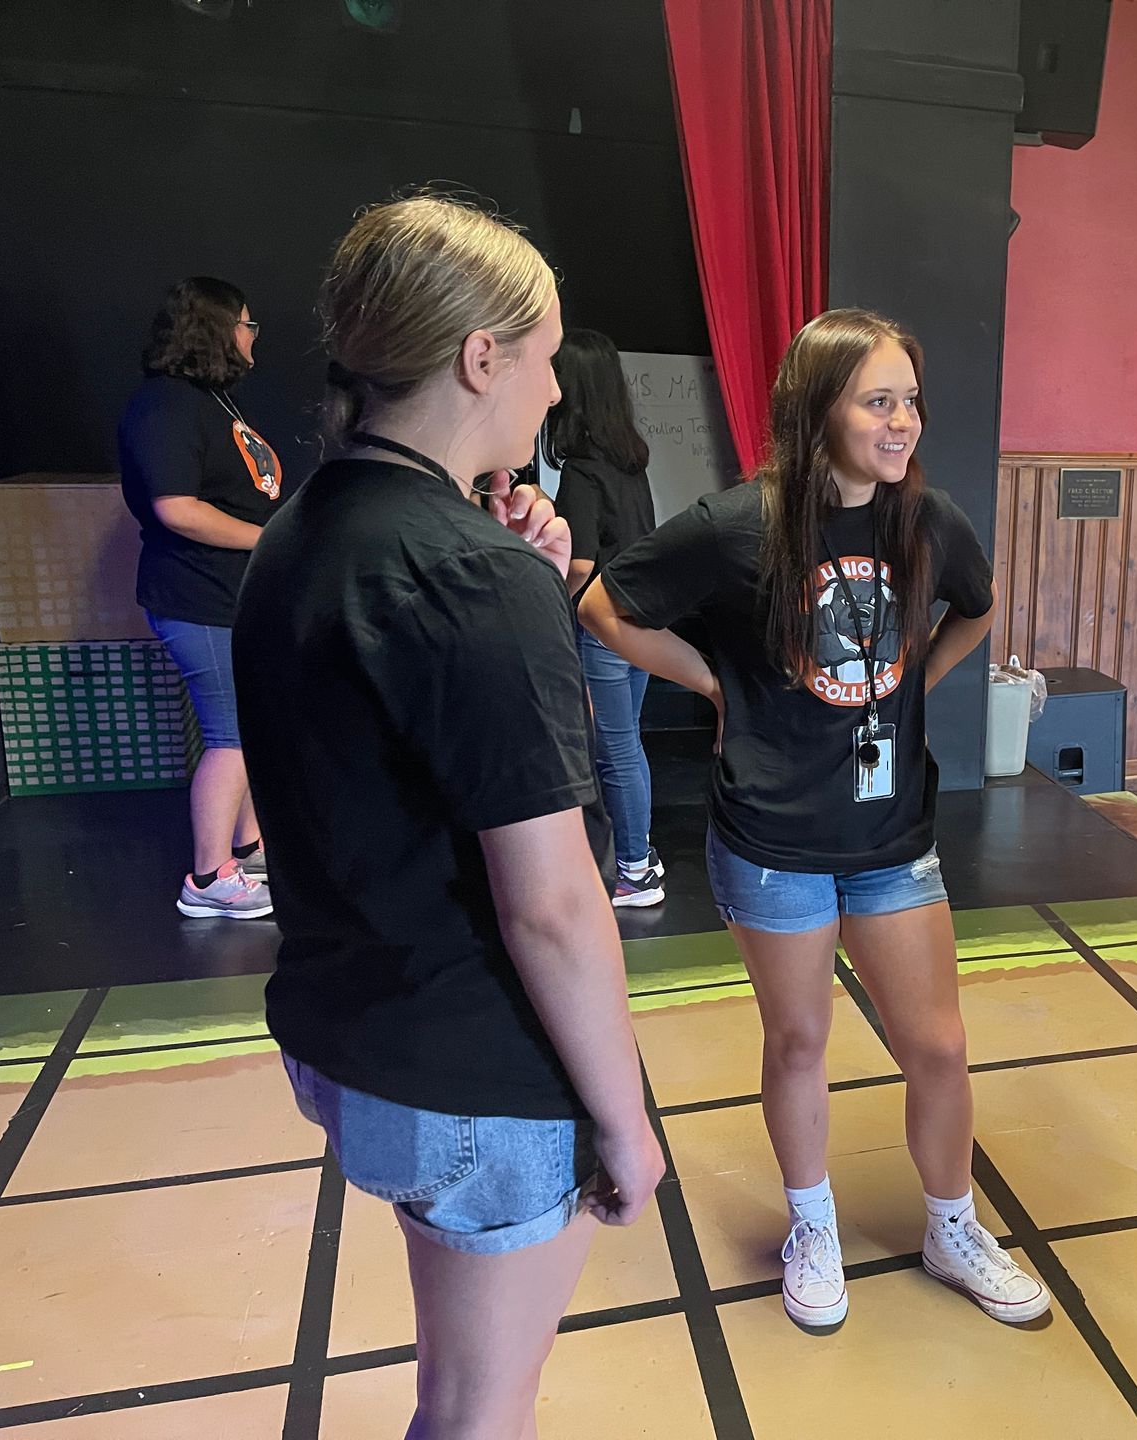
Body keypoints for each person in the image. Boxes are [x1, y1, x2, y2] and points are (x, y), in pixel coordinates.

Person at [232, 195, 664, 1439]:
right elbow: (553, 905)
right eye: (546, 357)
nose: (555, 391)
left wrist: (517, 568)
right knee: (480, 1413)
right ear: (482, 356)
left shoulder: (304, 529)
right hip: (475, 1071)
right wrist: (627, 1122)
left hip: (350, 1029)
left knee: (455, 1391)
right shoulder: (471, 574)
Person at [578, 308, 1050, 1331]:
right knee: (799, 1043)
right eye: (879, 402)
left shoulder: (927, 522)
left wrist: (913, 680)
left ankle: (954, 1227)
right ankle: (813, 1224)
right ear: (818, 409)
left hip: (891, 838)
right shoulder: (735, 525)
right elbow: (604, 606)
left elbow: (976, 605)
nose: (903, 422)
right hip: (772, 841)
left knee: (938, 1048)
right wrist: (713, 682)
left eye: (910, 401)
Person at [118, 276, 282, 919]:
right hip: (197, 597)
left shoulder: (211, 401)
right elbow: (177, 508)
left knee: (248, 730)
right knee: (229, 735)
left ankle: (248, 849)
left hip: (230, 597)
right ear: (217, 328)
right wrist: (270, 541)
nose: (252, 336)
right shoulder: (166, 405)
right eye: (246, 323)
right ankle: (209, 878)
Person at [547, 328, 664, 907]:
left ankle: (635, 869)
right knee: (626, 744)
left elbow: (581, 564)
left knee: (614, 749)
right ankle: (640, 856)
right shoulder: (629, 463)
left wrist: (551, 604)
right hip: (638, 622)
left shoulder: (582, 470)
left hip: (603, 629)